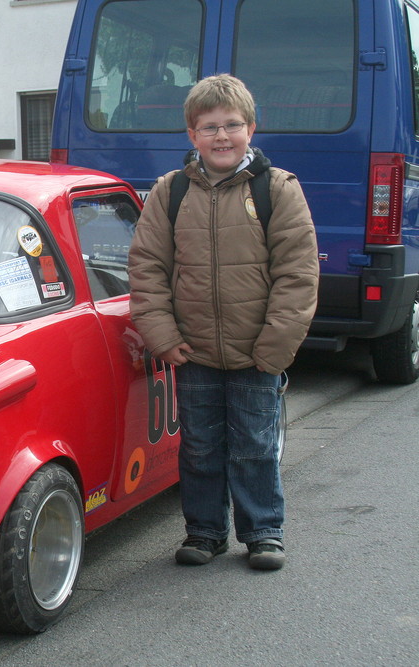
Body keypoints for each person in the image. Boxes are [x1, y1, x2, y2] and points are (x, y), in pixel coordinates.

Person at [127, 74, 319, 571]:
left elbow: (297, 274)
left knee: (254, 447)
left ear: (251, 129)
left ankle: (263, 533)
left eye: (232, 125)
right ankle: (205, 532)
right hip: (194, 352)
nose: (221, 136)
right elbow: (147, 269)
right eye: (209, 127)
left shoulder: (277, 189)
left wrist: (275, 348)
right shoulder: (170, 193)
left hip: (259, 351)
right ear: (192, 135)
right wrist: (163, 337)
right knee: (200, 448)